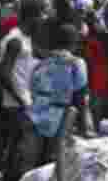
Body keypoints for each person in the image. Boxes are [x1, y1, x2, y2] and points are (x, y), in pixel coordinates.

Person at [25, 23, 93, 167]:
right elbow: (80, 97)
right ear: (74, 43)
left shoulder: (39, 64)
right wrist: (84, 128)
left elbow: (32, 92)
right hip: (62, 122)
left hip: (37, 119)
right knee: (57, 166)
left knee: (37, 164)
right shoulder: (76, 64)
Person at [0, 0, 41, 181]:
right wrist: (21, 99)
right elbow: (3, 73)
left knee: (17, 145)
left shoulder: (26, 38)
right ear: (32, 16)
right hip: (17, 103)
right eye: (40, 14)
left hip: (24, 100)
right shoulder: (15, 40)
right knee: (21, 147)